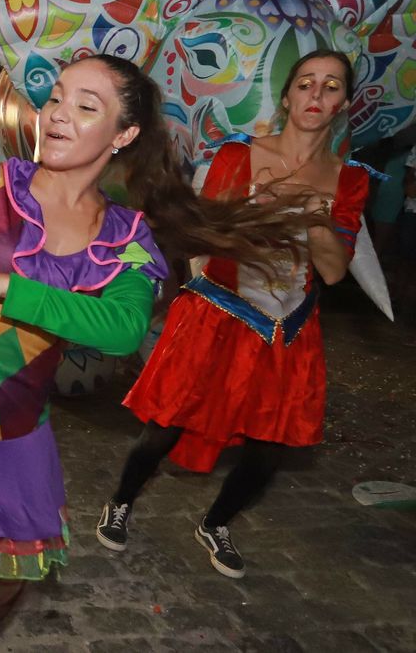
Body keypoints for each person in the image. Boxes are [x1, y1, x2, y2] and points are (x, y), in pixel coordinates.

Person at [0, 55, 311, 653]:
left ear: (123, 135)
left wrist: (15, 290)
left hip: (20, 427)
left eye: (86, 107)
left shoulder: (125, 236)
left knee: (1, 587)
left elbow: (123, 331)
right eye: (56, 99)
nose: (59, 116)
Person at [102, 50, 371, 579]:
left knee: (271, 445)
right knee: (168, 425)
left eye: (331, 86)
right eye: (306, 83)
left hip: (288, 326)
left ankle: (217, 521)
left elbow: (336, 272)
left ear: (343, 103)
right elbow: (199, 234)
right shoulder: (237, 156)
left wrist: (315, 218)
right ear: (288, 96)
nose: (316, 95)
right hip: (220, 312)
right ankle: (122, 501)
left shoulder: (350, 180)